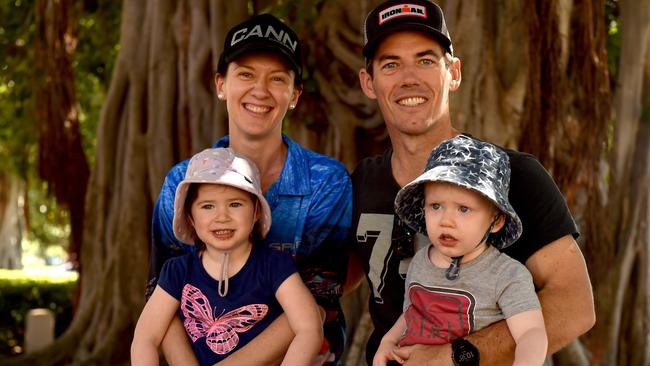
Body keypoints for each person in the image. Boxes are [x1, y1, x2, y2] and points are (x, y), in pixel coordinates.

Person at [347, 0, 595, 365]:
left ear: (455, 73)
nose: (409, 77)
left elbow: (575, 307)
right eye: (390, 64)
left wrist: (455, 356)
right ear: (368, 82)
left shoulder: (515, 176)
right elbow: (327, 280)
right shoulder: (361, 182)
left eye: (426, 60)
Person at [146, 14, 352, 365]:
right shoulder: (182, 183)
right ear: (220, 84)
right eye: (245, 74)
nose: (260, 90)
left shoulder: (325, 181)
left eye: (277, 79)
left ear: (295, 95)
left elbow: (319, 303)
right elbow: (163, 299)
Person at [132, 148, 323, 365]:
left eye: (235, 204)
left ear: (256, 212)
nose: (222, 217)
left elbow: (309, 329)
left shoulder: (274, 265)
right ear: (191, 217)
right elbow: (145, 338)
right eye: (207, 206)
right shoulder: (178, 271)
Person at [372, 136, 547, 366]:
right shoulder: (420, 262)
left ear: (495, 221)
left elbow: (531, 333)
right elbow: (412, 314)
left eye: (464, 209)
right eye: (436, 206)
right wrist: (388, 341)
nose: (446, 221)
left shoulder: (506, 275)